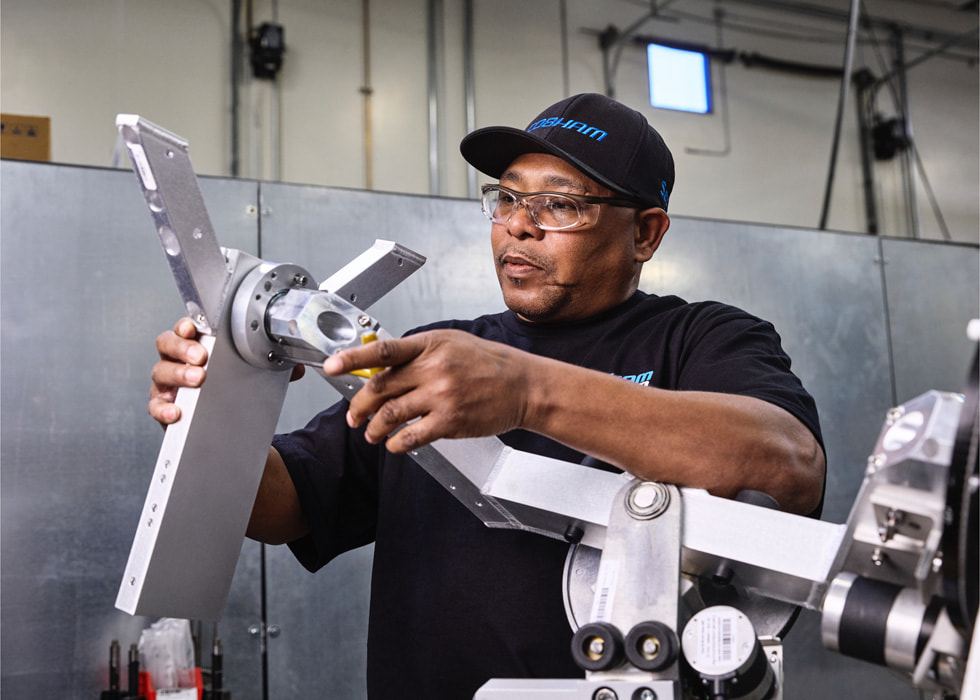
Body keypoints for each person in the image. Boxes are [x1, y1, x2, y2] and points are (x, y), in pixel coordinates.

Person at [149, 93, 826, 698]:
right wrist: (213, 409)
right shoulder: (439, 352)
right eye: (506, 198)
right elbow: (282, 505)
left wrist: (528, 392)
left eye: (561, 204)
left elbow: (785, 461)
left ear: (645, 233)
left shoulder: (701, 340)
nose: (518, 227)